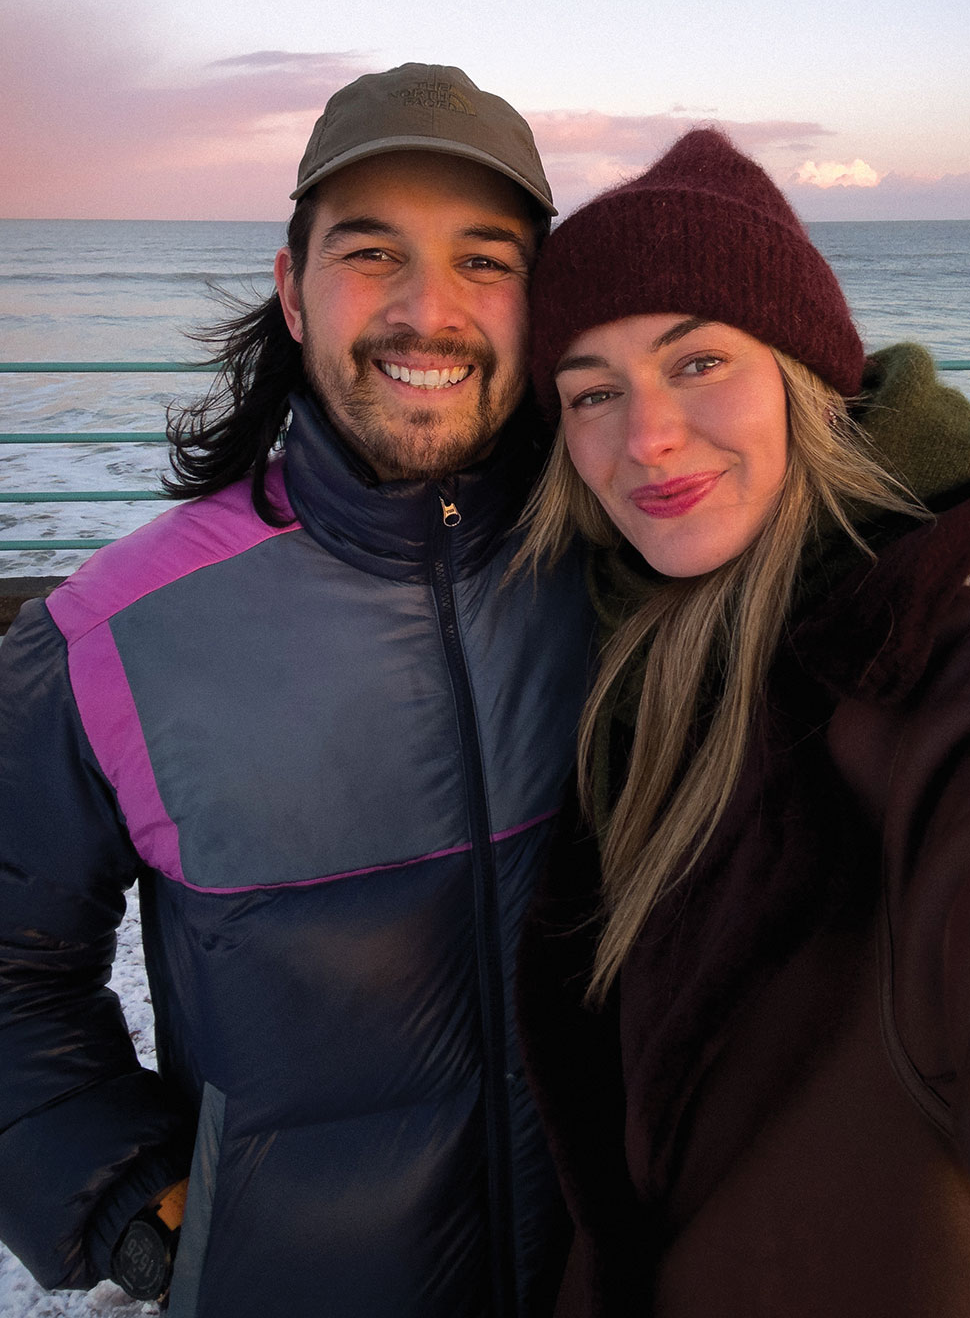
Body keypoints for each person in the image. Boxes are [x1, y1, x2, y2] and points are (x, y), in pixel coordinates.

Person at [515, 128, 970, 1318]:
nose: (647, 438)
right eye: (592, 391)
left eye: (697, 364)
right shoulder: (633, 649)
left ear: (806, 377)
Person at [0, 65, 594, 1318]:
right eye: (373, 253)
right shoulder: (118, 632)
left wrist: (960, 541)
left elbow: (788, 455)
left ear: (542, 301)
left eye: (486, 261)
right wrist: (123, 1198)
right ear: (291, 286)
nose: (431, 312)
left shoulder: (620, 571)